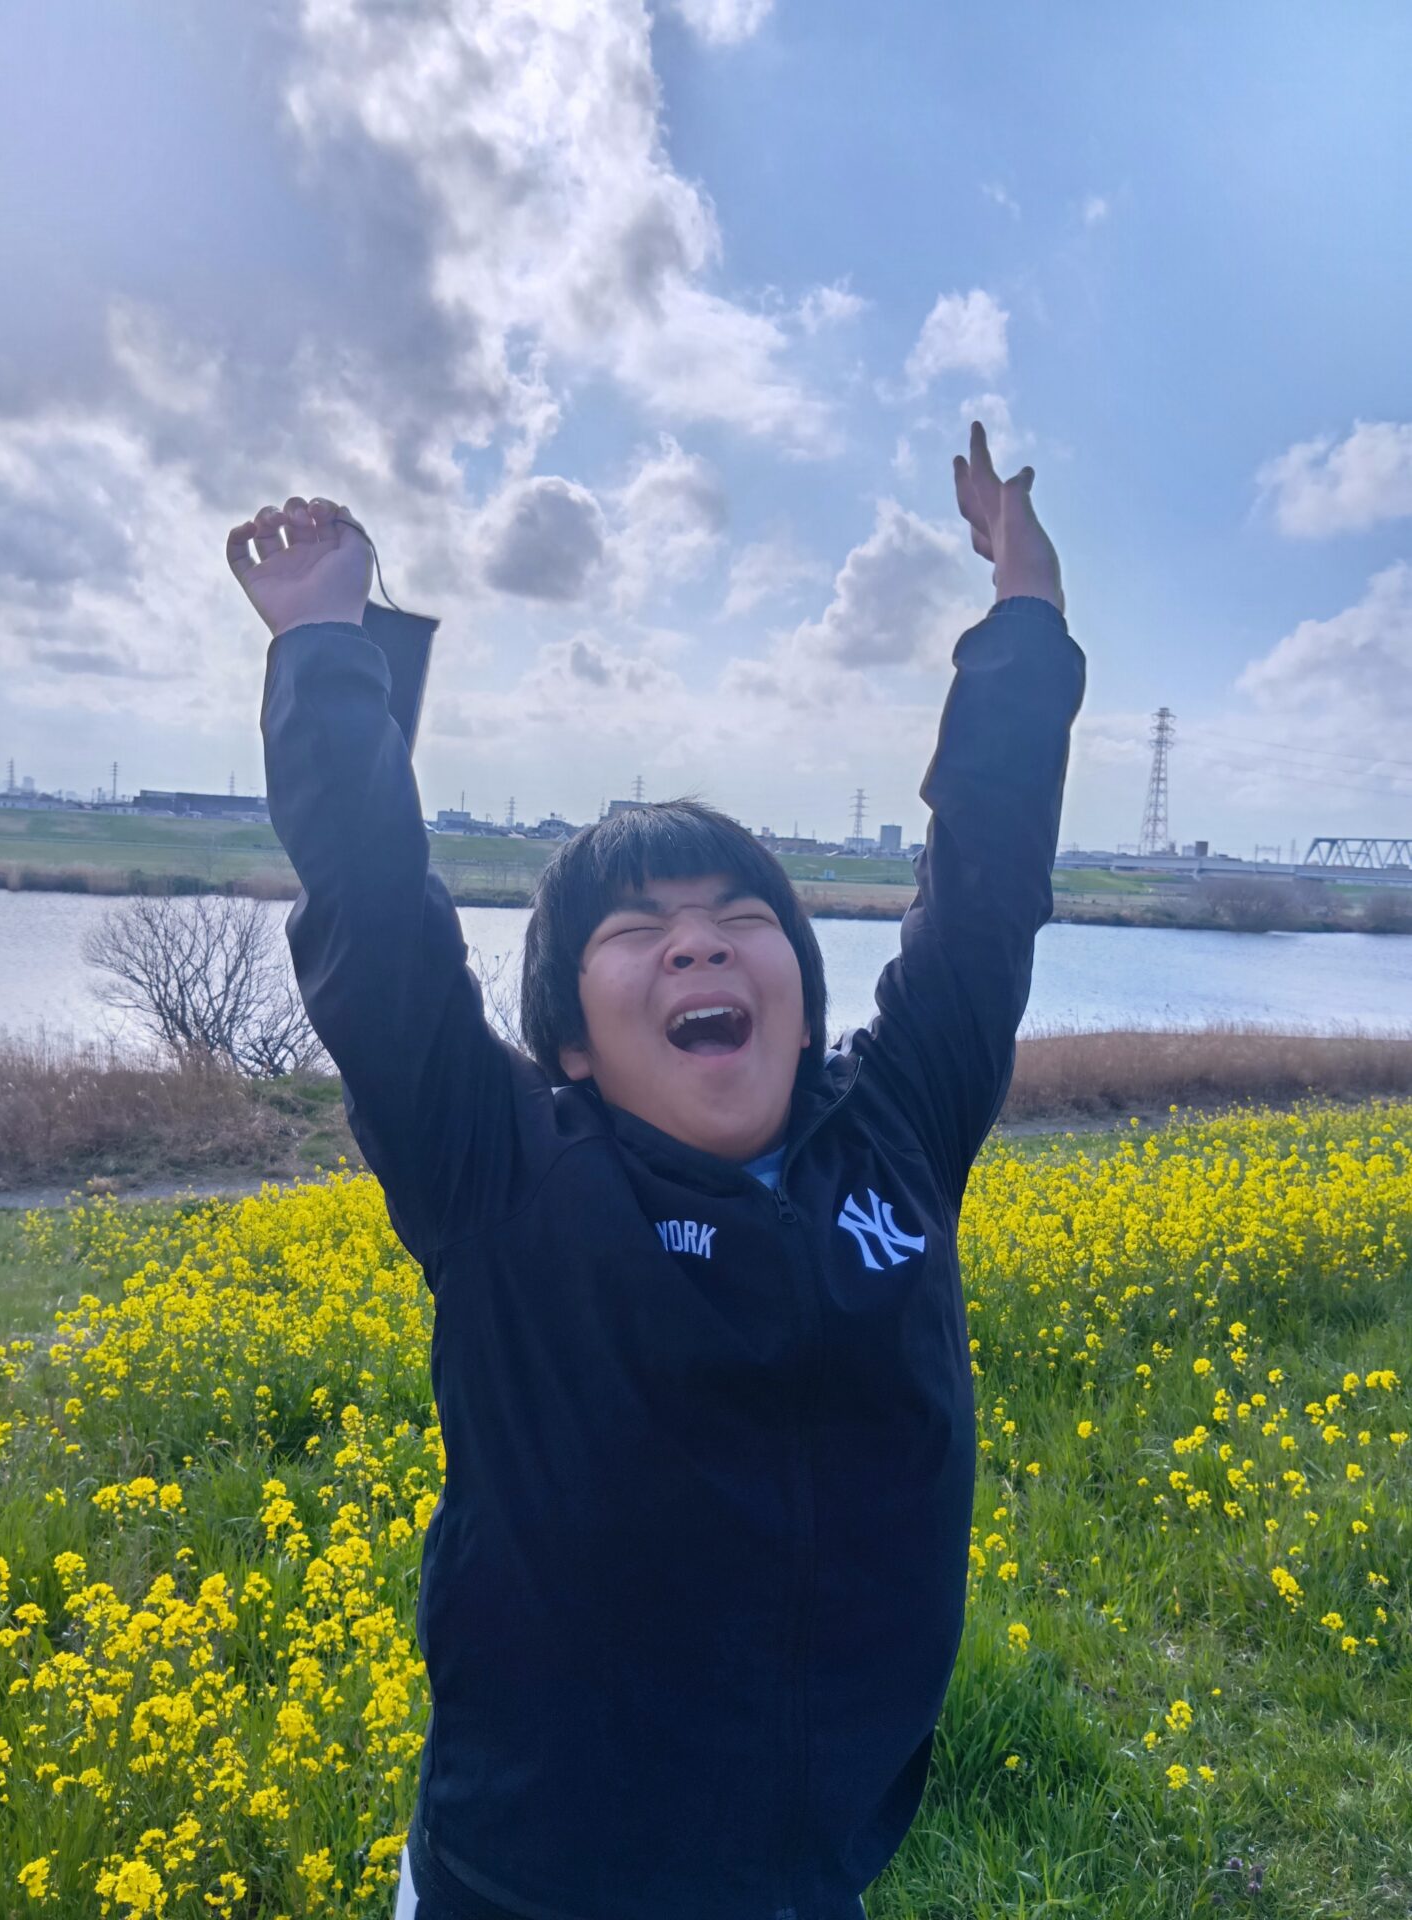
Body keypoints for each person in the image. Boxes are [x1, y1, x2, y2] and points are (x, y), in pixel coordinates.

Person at [229, 421, 1085, 1920]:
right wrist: (327, 645)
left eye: (740, 917)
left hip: (812, 1879)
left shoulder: (894, 1134)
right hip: (526, 1889)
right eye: (638, 931)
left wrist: (1025, 617)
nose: (697, 942)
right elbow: (375, 924)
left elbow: (988, 890)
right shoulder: (506, 1174)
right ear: (566, 1041)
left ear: (802, 999)